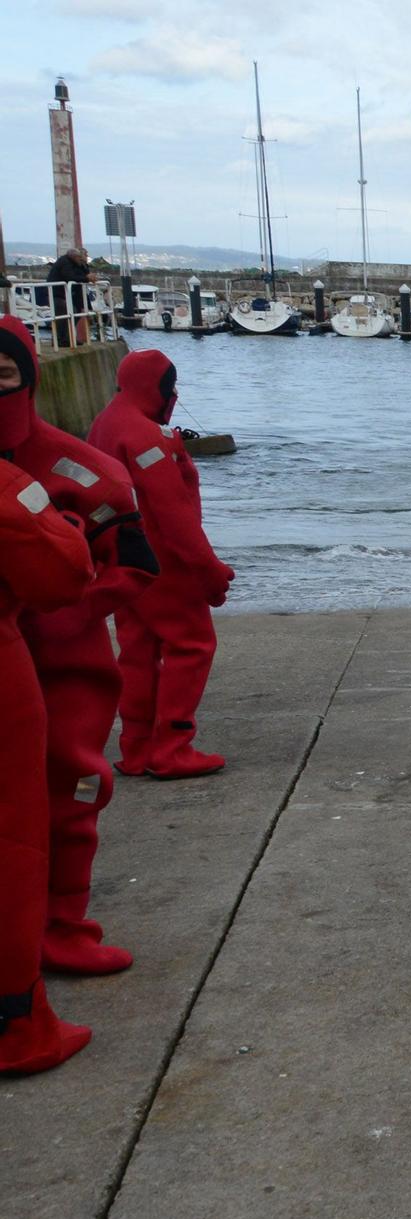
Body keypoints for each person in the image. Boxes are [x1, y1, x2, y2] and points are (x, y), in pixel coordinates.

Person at [1, 317, 157, 974]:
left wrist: (62, 609)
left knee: (73, 790)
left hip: (66, 667)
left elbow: (136, 565)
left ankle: (63, 924)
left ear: (30, 376)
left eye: (3, 374)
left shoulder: (90, 473)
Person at [91, 349, 234, 778]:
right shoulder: (146, 437)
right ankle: (172, 746)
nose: (174, 397)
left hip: (121, 561)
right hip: (162, 565)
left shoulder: (104, 425)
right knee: (191, 646)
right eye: (171, 387)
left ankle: (136, 746)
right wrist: (209, 569)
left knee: (137, 650)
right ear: (160, 388)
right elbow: (173, 514)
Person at [0, 451, 98, 1074]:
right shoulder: (14, 484)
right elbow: (64, 573)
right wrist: (74, 529)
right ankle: (18, 1023)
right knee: (16, 833)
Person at [46, 247, 93, 348]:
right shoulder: (65, 263)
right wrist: (86, 278)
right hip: (57, 293)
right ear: (74, 256)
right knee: (62, 316)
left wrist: (84, 266)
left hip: (62, 294)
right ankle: (60, 340)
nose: (81, 259)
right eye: (79, 258)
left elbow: (82, 273)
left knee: (72, 313)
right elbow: (70, 277)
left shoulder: (71, 263)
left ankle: (66, 338)